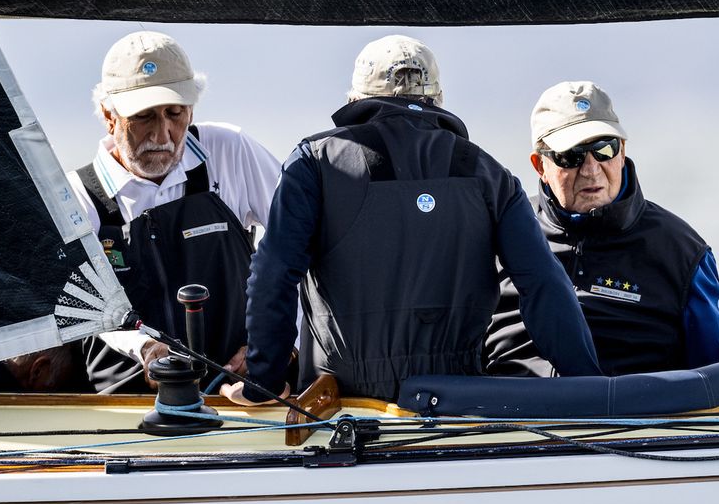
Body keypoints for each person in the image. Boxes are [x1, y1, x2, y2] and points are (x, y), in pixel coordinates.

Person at [222, 35, 601, 406]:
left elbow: (274, 273)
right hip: (454, 406)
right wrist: (588, 386)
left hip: (341, 408)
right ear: (436, 99)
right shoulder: (488, 171)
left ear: (356, 99)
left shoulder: (314, 162)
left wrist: (264, 381)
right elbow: (543, 282)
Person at [486, 81, 719, 376]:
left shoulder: (680, 250)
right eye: (570, 156)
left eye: (604, 149)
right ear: (540, 166)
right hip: (502, 415)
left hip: (631, 419)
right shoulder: (499, 234)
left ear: (622, 152)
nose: (590, 169)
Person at [68, 31, 283, 392]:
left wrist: (279, 344)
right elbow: (83, 306)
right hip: (126, 399)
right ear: (109, 116)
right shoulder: (78, 195)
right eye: (143, 117)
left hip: (238, 387)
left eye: (174, 113)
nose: (163, 132)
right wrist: (145, 348)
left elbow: (305, 248)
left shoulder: (230, 149)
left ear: (192, 110)